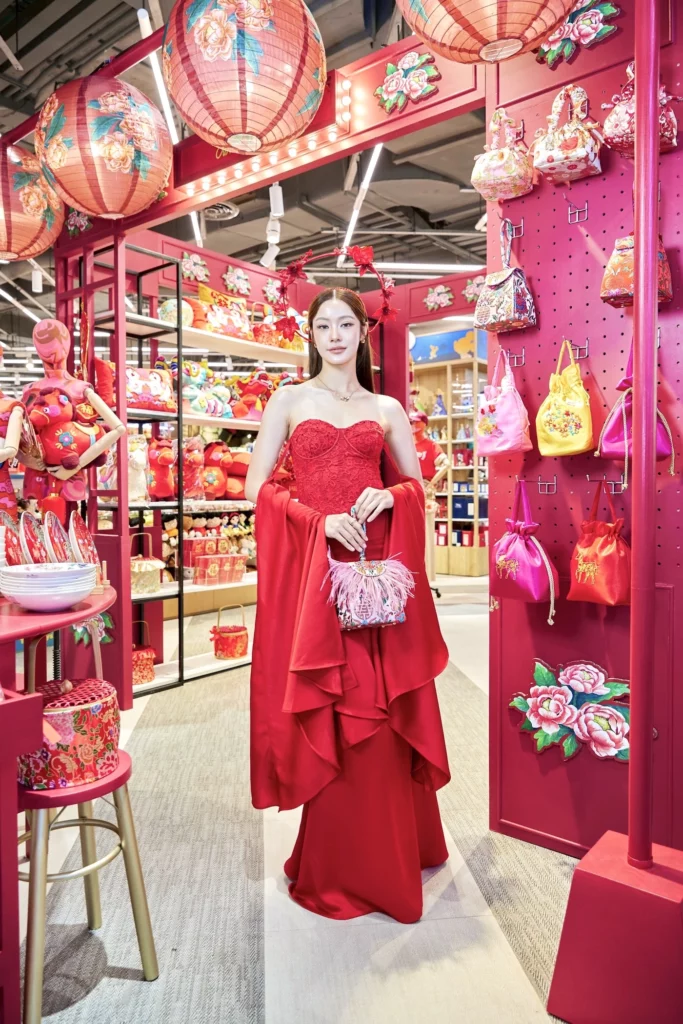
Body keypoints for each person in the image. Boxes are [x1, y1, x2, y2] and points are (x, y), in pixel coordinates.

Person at [245, 287, 451, 923]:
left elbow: (416, 484)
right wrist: (317, 521)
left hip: (372, 574)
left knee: (377, 714)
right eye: (323, 326)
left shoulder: (386, 407)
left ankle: (389, 858)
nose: (334, 335)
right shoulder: (288, 400)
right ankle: (335, 866)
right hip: (316, 576)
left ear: (363, 333)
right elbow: (255, 488)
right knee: (332, 708)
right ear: (311, 335)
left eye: (345, 325)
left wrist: (392, 498)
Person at [410, 409, 448, 481]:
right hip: (409, 483)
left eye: (416, 422)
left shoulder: (432, 445)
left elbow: (447, 464)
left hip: (424, 482)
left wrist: (431, 483)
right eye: (411, 422)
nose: (413, 425)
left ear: (424, 424)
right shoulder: (407, 444)